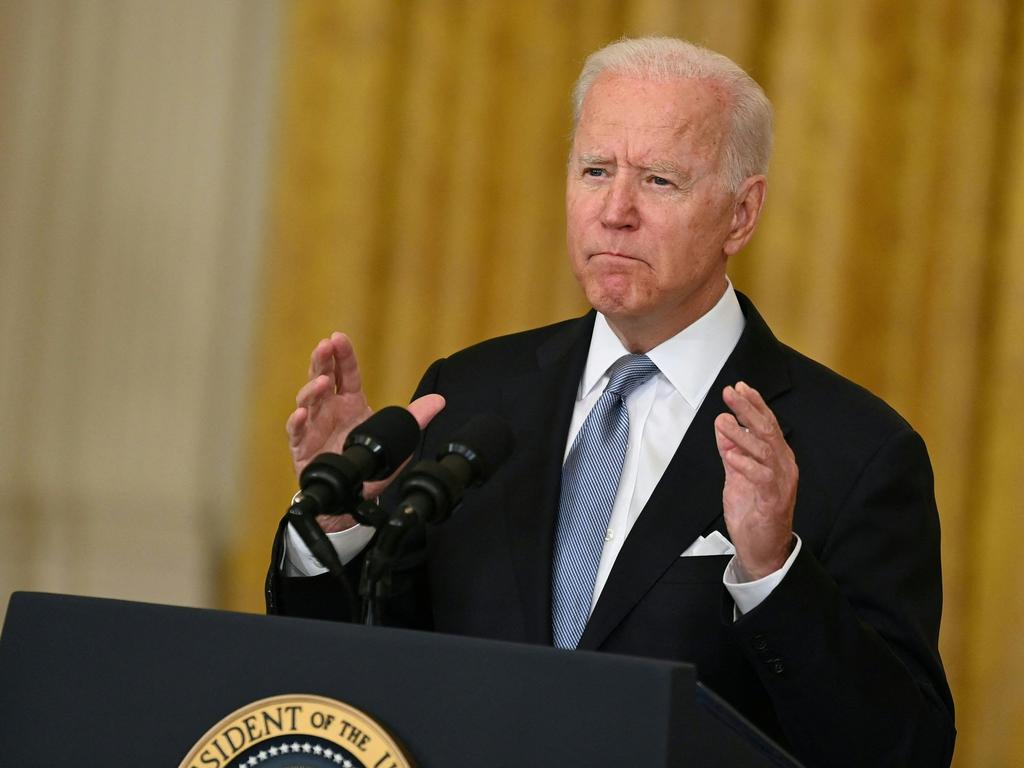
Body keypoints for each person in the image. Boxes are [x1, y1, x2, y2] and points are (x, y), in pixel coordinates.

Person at [266, 37, 955, 767]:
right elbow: (348, 680)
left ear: (741, 216)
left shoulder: (854, 451)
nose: (615, 210)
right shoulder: (469, 395)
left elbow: (903, 750)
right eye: (596, 170)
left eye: (659, 181)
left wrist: (773, 571)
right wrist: (340, 520)